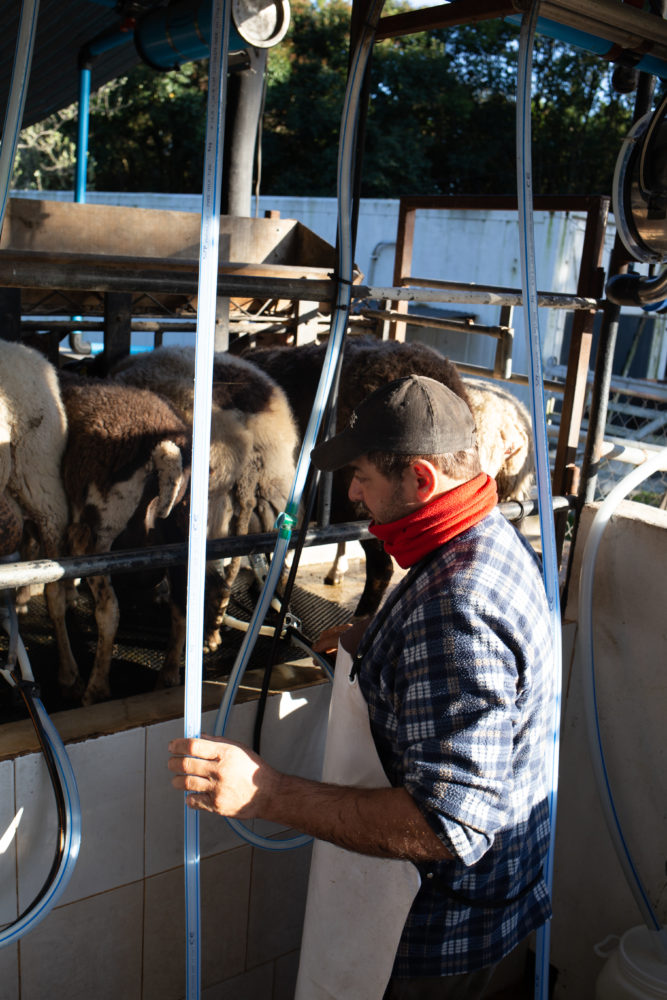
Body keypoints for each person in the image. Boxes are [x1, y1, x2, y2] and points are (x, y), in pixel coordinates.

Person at [168, 374, 554, 999]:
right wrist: (381, 630)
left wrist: (264, 792)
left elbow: (448, 826)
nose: (351, 492)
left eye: (365, 477)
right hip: (494, 907)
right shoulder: (490, 538)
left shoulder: (456, 610)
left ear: (421, 481)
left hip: (439, 936)